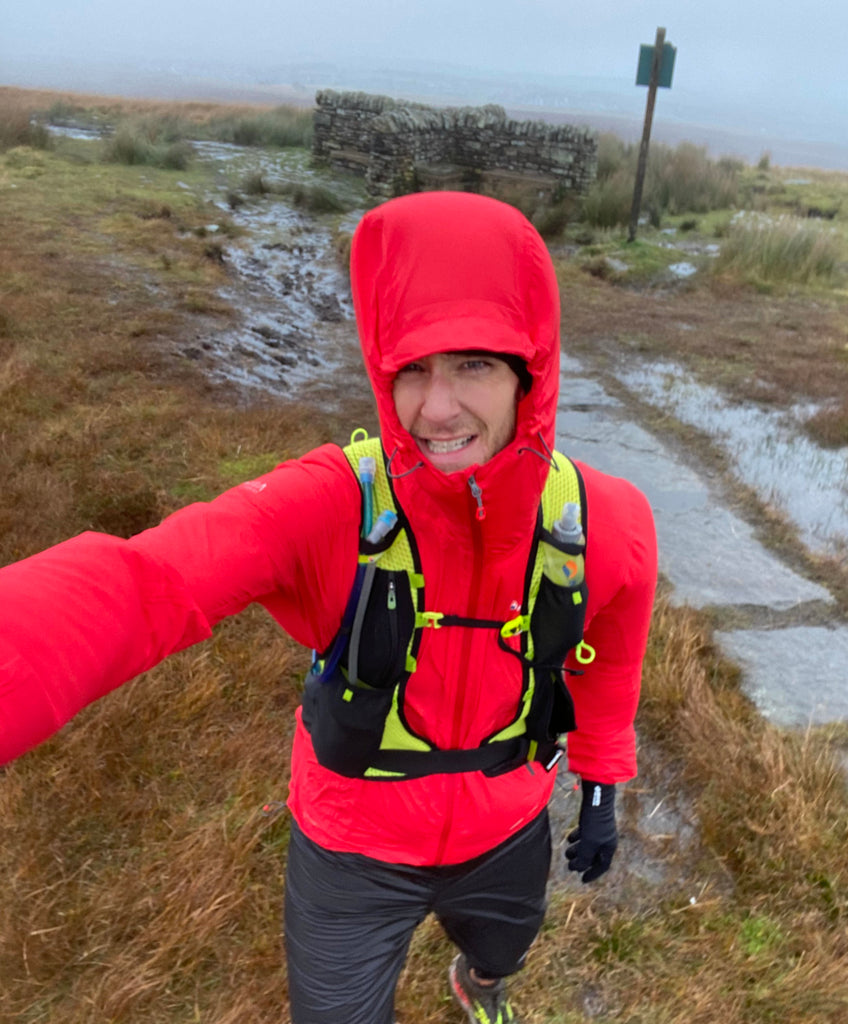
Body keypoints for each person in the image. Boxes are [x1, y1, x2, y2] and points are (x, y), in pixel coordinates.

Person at [0, 191, 657, 1024]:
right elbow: (146, 584)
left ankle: (479, 985)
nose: (438, 407)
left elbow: (611, 657)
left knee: (503, 951)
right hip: (351, 850)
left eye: (473, 365)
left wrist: (601, 788)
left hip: (508, 827)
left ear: (533, 369)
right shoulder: (328, 507)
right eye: (411, 368)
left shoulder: (608, 521)